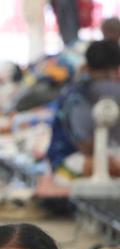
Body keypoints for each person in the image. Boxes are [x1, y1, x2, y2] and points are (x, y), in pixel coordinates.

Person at [47, 40, 120, 177]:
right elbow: (85, 146)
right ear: (117, 69)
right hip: (71, 158)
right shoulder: (77, 97)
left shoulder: (78, 90)